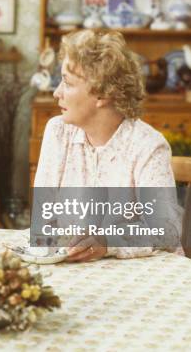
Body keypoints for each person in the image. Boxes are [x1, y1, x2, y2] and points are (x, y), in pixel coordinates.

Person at [34, 29, 182, 261]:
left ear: (102, 94)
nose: (56, 93)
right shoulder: (58, 131)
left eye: (67, 83)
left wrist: (108, 241)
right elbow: (43, 220)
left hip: (143, 278)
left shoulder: (147, 146)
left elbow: (166, 230)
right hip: (79, 273)